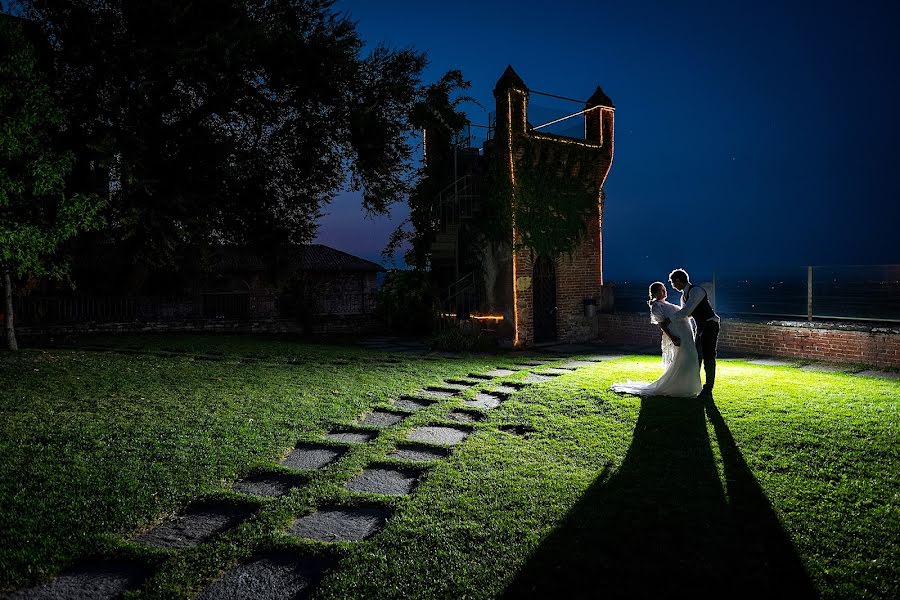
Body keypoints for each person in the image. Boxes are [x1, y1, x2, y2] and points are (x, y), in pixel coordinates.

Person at [610, 282, 702, 397]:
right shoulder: (657, 306)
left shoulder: (666, 304)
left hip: (686, 335)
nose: (665, 292)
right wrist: (672, 338)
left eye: (664, 289)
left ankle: (688, 385)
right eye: (661, 290)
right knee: (687, 359)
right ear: (655, 293)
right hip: (679, 336)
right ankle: (681, 386)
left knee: (690, 359)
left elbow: (683, 314)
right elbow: (662, 325)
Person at [665, 268, 720, 394]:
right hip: (700, 327)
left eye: (673, 283)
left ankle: (708, 387)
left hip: (710, 325)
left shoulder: (697, 291)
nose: (673, 286)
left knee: (708, 356)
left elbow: (686, 311)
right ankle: (695, 384)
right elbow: (687, 315)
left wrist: (670, 320)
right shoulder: (683, 297)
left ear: (678, 281)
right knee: (697, 356)